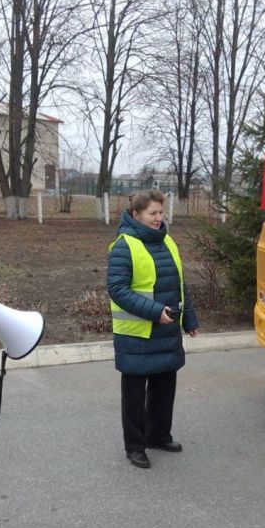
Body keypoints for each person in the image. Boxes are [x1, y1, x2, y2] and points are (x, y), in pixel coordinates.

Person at [107, 190, 199, 469]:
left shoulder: (168, 241)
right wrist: (154, 312)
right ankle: (135, 445)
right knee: (134, 395)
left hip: (166, 329)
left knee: (164, 387)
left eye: (161, 212)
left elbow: (179, 284)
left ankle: (158, 435)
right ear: (136, 215)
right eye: (153, 213)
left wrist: (189, 319)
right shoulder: (124, 246)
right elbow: (118, 290)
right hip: (136, 333)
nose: (159, 218)